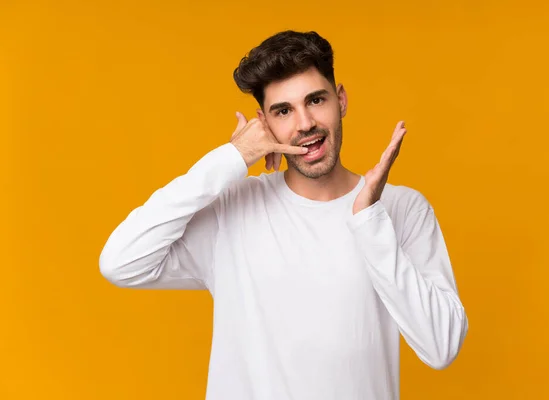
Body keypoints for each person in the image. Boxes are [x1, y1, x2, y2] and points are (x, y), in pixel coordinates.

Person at [99, 30, 468, 400]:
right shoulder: (233, 210)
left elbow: (442, 347)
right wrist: (232, 158)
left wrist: (369, 221)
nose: (304, 123)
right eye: (283, 111)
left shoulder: (401, 209)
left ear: (340, 100)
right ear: (264, 124)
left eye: (316, 100)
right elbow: (121, 262)